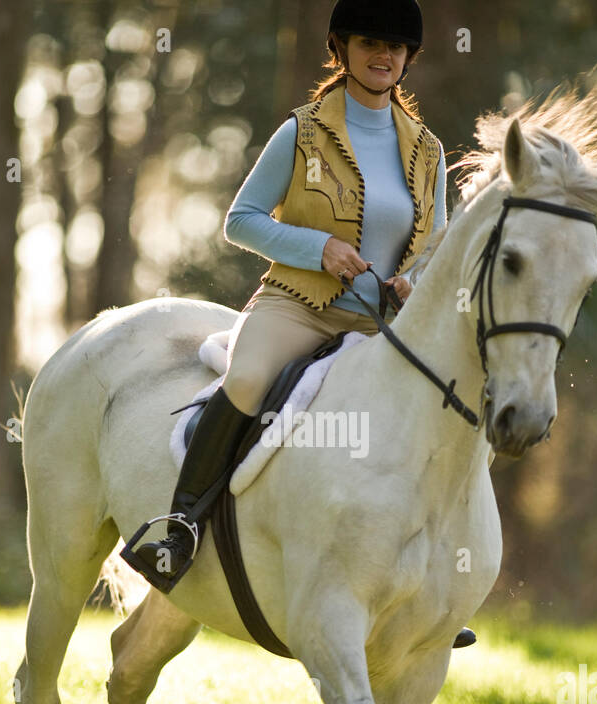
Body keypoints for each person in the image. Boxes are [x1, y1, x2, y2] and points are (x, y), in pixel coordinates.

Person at [122, 0, 477, 650]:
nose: (385, 56)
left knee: (442, 408)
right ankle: (180, 532)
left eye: (398, 47)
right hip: (297, 304)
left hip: (379, 323)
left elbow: (439, 248)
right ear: (340, 47)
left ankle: (431, 577)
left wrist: (413, 280)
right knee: (250, 377)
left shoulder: (427, 152)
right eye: (371, 42)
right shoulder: (303, 131)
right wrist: (318, 248)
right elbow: (242, 221)